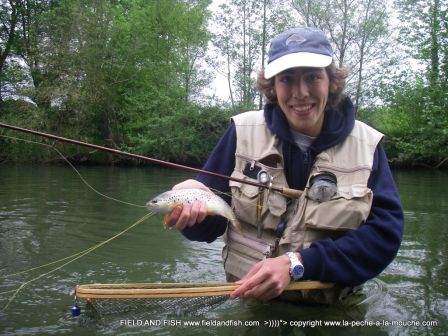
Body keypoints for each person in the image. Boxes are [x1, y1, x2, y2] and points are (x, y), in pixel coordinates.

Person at [165, 27, 404, 304]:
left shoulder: (367, 145)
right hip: (250, 302)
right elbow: (208, 228)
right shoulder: (241, 132)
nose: (300, 93)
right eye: (287, 79)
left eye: (312, 77)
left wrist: (297, 263)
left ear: (332, 82)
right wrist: (192, 216)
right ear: (272, 86)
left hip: (331, 309)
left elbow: (383, 238)